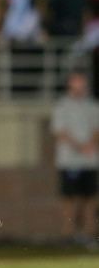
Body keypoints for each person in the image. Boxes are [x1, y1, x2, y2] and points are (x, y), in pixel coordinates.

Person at [51, 70, 99, 246]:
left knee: (90, 199)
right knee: (69, 199)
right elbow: (60, 132)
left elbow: (96, 129)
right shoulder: (62, 106)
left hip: (90, 161)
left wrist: (89, 146)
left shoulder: (92, 106)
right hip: (69, 161)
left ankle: (88, 235)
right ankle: (68, 235)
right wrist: (80, 147)